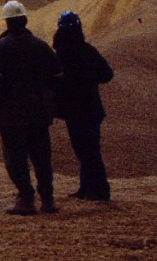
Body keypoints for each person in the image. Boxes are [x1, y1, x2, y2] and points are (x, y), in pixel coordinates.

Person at [0, 0, 63, 215]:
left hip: (11, 115)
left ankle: (26, 198)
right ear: (25, 20)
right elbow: (57, 76)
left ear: (7, 23)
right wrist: (48, 100)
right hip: (38, 113)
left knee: (16, 159)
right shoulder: (41, 46)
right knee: (42, 158)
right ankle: (48, 200)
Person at [53, 10, 115, 202]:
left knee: (85, 150)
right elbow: (107, 74)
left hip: (75, 111)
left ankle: (101, 190)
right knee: (89, 148)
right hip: (92, 109)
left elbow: (54, 81)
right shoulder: (88, 50)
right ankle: (87, 187)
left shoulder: (61, 54)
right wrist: (89, 79)